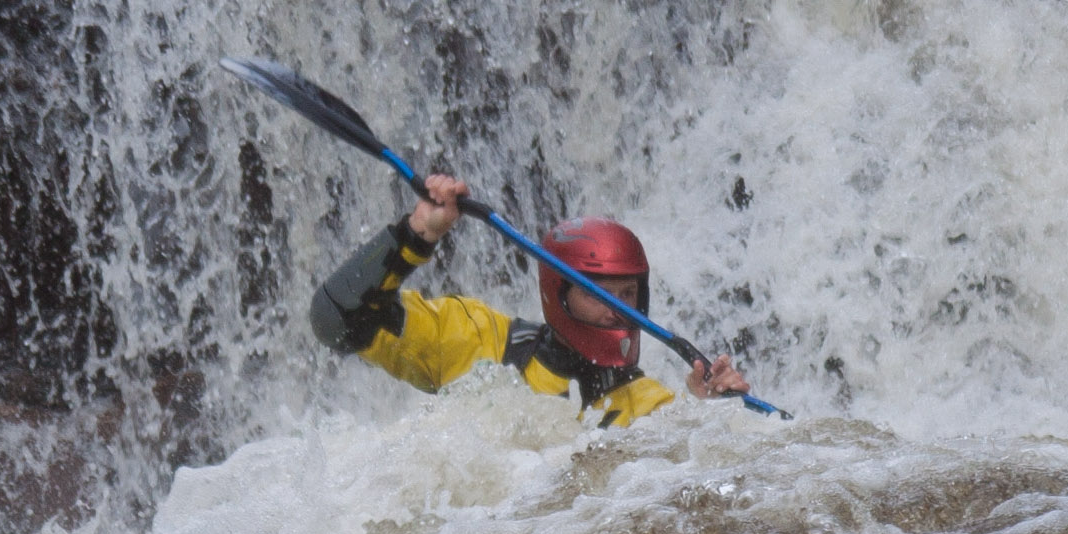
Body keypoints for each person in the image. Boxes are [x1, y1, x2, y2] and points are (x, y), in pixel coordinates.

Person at [309, 170, 755, 423]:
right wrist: (416, 234)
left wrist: (712, 412)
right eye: (600, 294)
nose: (617, 311)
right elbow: (336, 318)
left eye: (628, 293)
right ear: (558, 294)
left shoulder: (649, 406)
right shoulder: (477, 339)